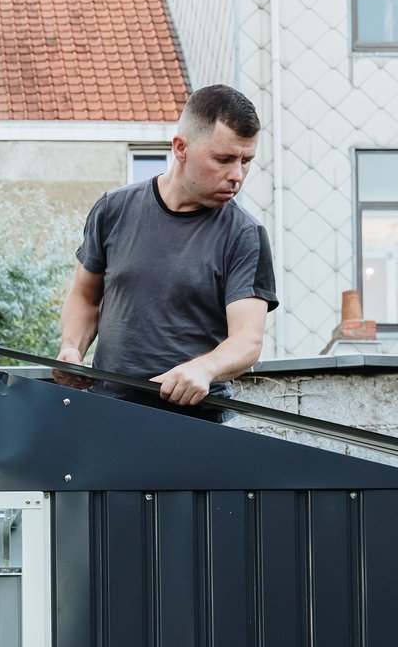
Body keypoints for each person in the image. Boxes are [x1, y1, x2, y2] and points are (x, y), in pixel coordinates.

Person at [57, 83, 278, 418]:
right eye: (223, 159)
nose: (237, 175)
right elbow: (85, 297)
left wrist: (204, 369)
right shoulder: (113, 210)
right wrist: (71, 348)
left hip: (195, 425)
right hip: (108, 413)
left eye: (247, 160)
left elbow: (247, 341)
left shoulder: (245, 235)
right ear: (180, 148)